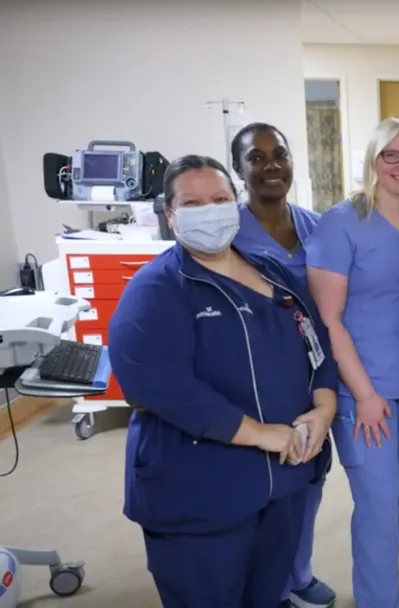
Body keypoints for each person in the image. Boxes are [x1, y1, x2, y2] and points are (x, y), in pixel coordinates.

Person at [107, 155, 338, 608]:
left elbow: (316, 339)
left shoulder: (272, 271)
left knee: (268, 595)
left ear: (236, 204)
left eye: (219, 199)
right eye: (192, 203)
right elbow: (157, 386)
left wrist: (325, 403)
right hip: (200, 492)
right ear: (170, 215)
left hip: (284, 479)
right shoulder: (156, 291)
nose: (209, 211)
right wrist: (257, 434)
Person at [305, 117, 399, 608]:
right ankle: (378, 598)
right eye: (391, 155)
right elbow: (329, 320)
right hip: (365, 389)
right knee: (377, 505)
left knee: (393, 499)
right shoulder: (341, 222)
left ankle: (382, 584)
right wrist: (365, 395)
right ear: (372, 160)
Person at [228, 122, 336, 608]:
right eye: (256, 157)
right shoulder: (226, 232)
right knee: (259, 486)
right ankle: (265, 586)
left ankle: (299, 572)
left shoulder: (317, 226)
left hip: (310, 374)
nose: (271, 165)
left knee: (307, 478)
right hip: (252, 376)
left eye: (280, 154)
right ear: (238, 168)